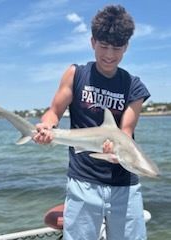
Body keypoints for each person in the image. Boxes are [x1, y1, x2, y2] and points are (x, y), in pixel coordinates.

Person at [33, 4, 150, 240]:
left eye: (117, 48)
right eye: (103, 46)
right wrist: (47, 127)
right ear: (92, 42)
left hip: (124, 184)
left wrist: (116, 151)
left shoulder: (133, 86)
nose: (109, 54)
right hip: (82, 180)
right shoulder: (76, 74)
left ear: (126, 46)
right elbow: (54, 111)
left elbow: (125, 131)